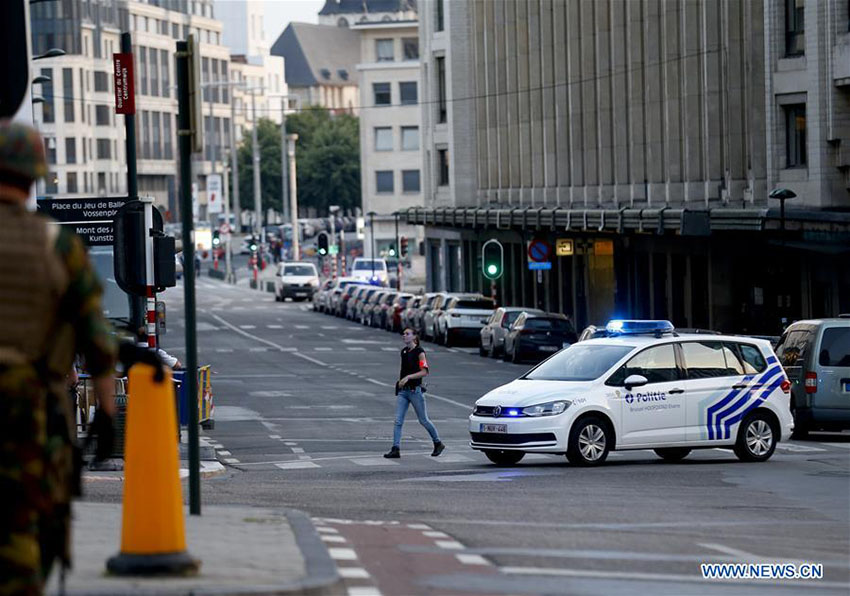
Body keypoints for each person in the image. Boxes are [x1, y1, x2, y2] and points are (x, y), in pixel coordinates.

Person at [0, 120, 117, 595]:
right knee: (26, 535)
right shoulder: (58, 247)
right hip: (31, 420)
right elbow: (97, 341)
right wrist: (107, 416)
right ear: (35, 176)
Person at [384, 328, 445, 459]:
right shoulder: (404, 351)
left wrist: (408, 377)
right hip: (403, 391)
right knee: (398, 421)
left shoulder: (420, 352)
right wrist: (401, 381)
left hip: (415, 391)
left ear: (414, 337)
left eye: (407, 334)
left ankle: (437, 442)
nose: (404, 336)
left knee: (423, 420)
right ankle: (396, 448)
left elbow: (425, 371)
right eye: (404, 333)